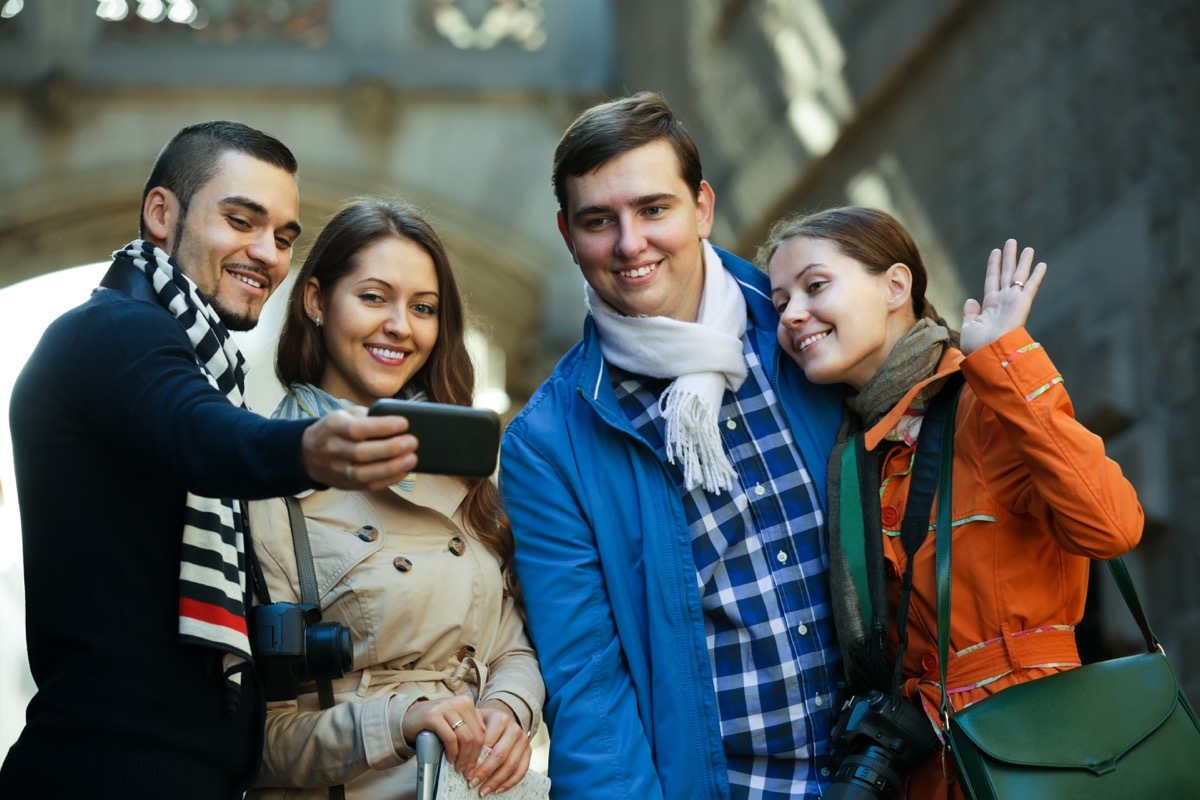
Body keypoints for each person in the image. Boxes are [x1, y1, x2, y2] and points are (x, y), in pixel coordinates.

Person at [0, 122, 421, 799]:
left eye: (285, 236)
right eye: (241, 220)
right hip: (106, 773)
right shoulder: (115, 333)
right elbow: (205, 437)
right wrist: (309, 447)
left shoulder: (196, 358)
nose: (268, 254)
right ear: (162, 213)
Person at [499, 92, 845, 799]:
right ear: (568, 235)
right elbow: (589, 688)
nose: (630, 244)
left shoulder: (808, 328)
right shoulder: (547, 444)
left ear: (702, 208)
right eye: (600, 221)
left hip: (901, 773)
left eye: (653, 209)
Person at [763, 206, 1144, 799]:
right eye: (779, 300)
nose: (791, 314)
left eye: (814, 286)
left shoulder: (984, 398)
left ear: (896, 286)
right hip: (932, 765)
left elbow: (1112, 526)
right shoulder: (853, 451)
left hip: (1038, 756)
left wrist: (1006, 357)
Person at [245, 198, 544, 800]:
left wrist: (511, 711)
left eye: (423, 308)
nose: (401, 326)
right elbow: (256, 741)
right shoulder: (264, 485)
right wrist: (401, 720)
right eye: (374, 297)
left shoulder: (462, 472)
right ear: (315, 300)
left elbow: (512, 640)